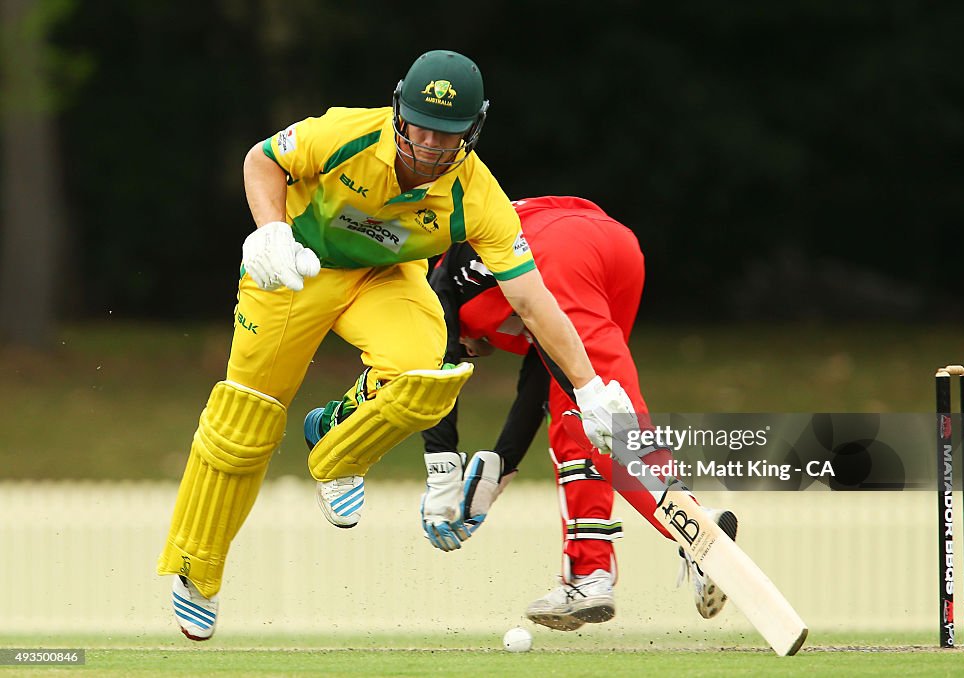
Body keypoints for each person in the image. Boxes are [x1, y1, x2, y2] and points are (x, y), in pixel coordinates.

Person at [158, 52, 634, 641]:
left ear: (474, 130)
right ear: (398, 109)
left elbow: (534, 302)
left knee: (425, 371)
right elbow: (262, 159)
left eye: (448, 134)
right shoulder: (346, 134)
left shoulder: (478, 196)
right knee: (245, 423)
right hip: (294, 268)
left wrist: (589, 388)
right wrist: (271, 231)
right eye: (420, 125)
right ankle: (195, 571)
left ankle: (336, 448)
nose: (430, 145)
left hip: (385, 277)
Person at [415, 196, 738, 631]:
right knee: (579, 414)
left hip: (557, 252)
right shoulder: (487, 276)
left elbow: (439, 370)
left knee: (605, 418)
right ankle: (588, 575)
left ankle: (695, 529)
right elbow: (545, 375)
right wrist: (502, 464)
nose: (476, 354)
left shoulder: (437, 281)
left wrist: (444, 474)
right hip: (614, 247)